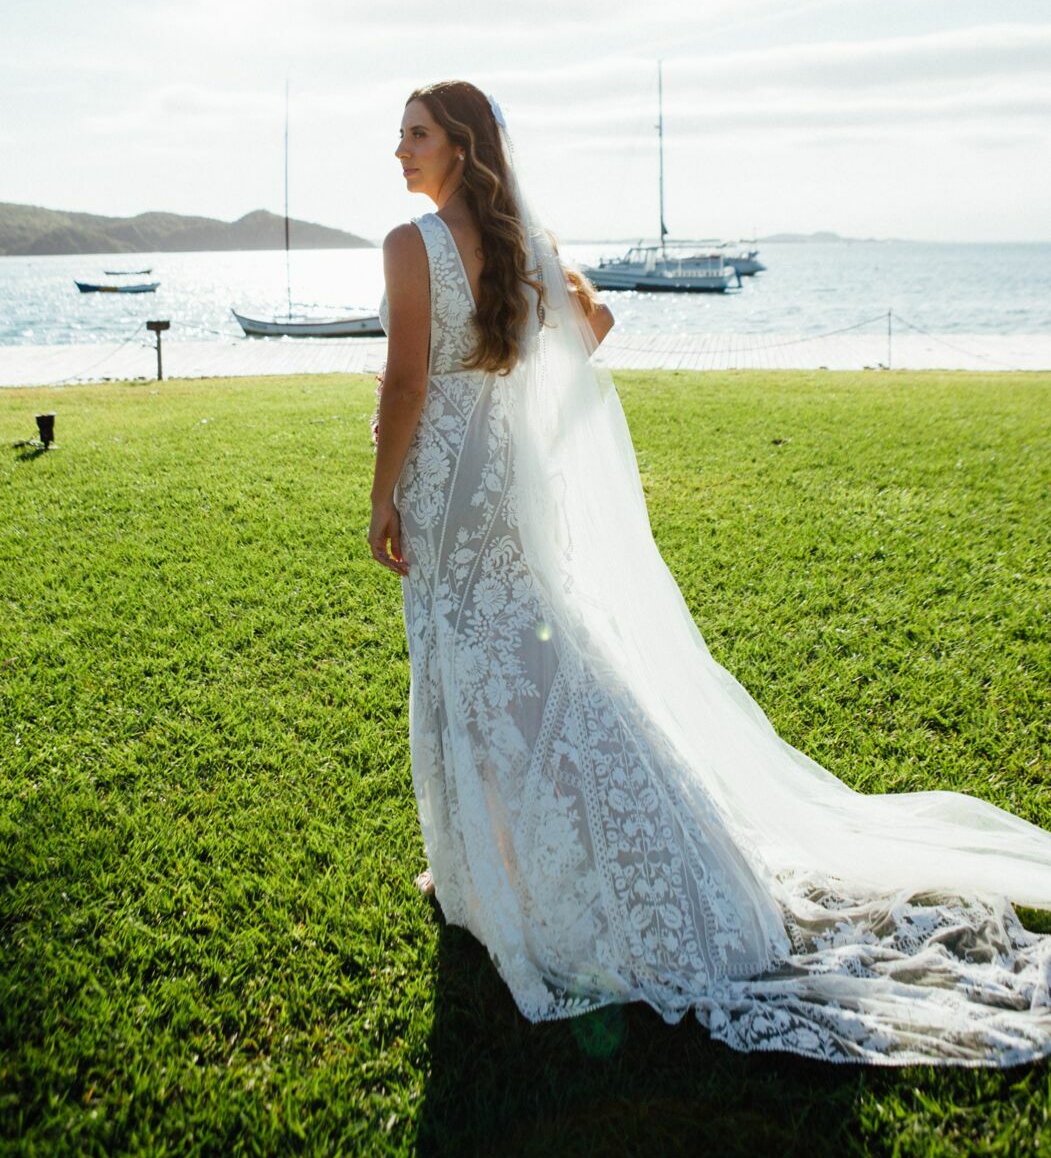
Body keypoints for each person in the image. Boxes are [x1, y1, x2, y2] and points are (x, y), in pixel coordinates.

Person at [368, 79, 1051, 1066]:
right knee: (527, 663)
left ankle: (491, 876)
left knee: (469, 667)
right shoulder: (525, 246)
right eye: (400, 135)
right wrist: (517, 413)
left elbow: (400, 380)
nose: (399, 152)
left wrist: (383, 494)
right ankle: (495, 867)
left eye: (417, 135)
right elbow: (591, 330)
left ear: (463, 148)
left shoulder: (410, 245)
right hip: (504, 494)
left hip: (441, 493)